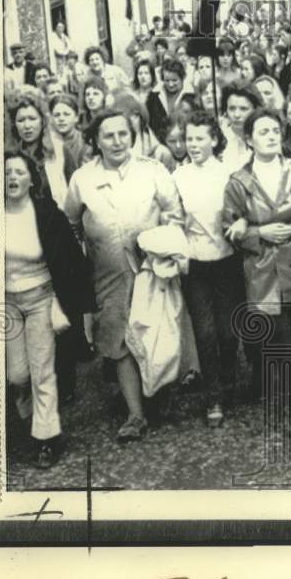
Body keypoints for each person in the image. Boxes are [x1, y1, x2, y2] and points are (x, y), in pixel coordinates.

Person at [64, 107, 183, 442]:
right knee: (117, 340)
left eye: (123, 134)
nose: (117, 141)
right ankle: (135, 414)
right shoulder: (82, 179)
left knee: (153, 332)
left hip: (152, 271)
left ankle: (157, 394)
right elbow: (71, 223)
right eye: (108, 135)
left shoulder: (153, 171)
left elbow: (175, 214)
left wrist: (161, 245)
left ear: (132, 136)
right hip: (107, 274)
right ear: (95, 140)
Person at [222, 109, 291, 436]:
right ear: (249, 139)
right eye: (262, 131)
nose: (270, 136)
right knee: (283, 343)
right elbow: (229, 227)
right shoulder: (238, 182)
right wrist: (259, 234)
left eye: (274, 130)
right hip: (264, 274)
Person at [5, 152, 93, 468]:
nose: (12, 178)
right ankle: (29, 421)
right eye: (6, 173)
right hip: (6, 306)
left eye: (19, 172)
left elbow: (69, 261)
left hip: (40, 299)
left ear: (31, 179)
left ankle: (46, 438)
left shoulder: (45, 213)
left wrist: (63, 302)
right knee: (17, 375)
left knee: (42, 370)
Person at [173, 111, 246, 427]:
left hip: (228, 260)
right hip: (195, 264)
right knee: (204, 332)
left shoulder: (230, 173)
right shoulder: (177, 176)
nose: (193, 144)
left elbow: (244, 209)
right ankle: (212, 396)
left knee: (228, 333)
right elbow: (173, 218)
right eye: (189, 138)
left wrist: (242, 222)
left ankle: (228, 379)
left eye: (200, 138)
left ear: (214, 140)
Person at [7, 92, 78, 210]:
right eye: (21, 120)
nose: (27, 125)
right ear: (14, 124)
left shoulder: (60, 150)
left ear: (42, 121)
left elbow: (76, 191)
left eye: (32, 119)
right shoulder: (9, 157)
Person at [220, 82, 260, 173]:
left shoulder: (264, 136)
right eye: (232, 108)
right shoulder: (219, 139)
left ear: (255, 109)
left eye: (243, 109)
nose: (237, 115)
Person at [47, 93, 89, 169]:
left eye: (66, 114)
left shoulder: (85, 143)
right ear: (51, 118)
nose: (61, 119)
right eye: (57, 115)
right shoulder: (46, 142)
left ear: (76, 117)